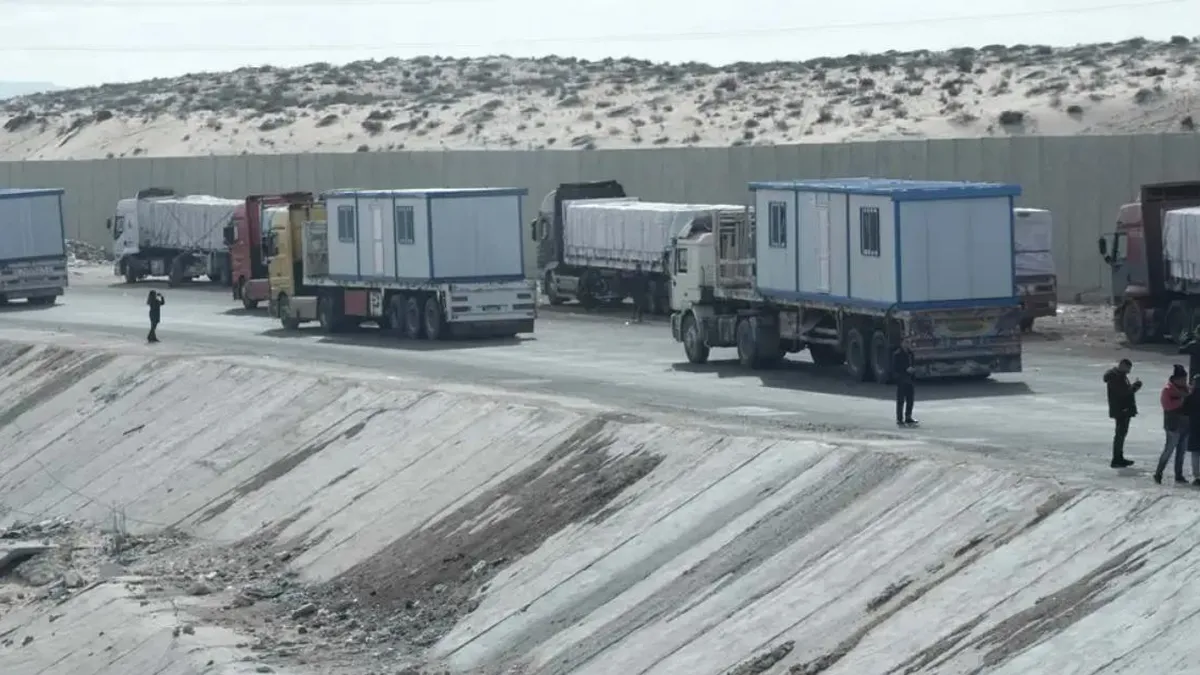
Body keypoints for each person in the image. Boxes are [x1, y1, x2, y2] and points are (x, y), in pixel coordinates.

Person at [1155, 364, 1190, 484]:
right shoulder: (1167, 390)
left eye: (1185, 379)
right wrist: (1183, 399)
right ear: (1175, 379)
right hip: (1173, 426)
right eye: (1182, 379)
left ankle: (1178, 475)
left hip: (1185, 425)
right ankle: (1158, 473)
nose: (1184, 381)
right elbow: (1168, 406)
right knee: (1169, 450)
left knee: (1181, 452)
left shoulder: (1186, 389)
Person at [1104, 358, 1142, 468]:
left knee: (1121, 434)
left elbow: (1125, 391)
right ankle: (1116, 459)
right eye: (1128, 368)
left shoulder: (1119, 376)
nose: (1129, 371)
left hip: (1123, 409)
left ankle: (1119, 457)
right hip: (1121, 409)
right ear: (1122, 365)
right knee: (1120, 435)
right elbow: (1124, 392)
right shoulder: (1115, 377)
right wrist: (1135, 386)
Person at [891, 338, 917, 427]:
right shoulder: (897, 354)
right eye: (906, 342)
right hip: (901, 379)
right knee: (901, 400)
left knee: (910, 400)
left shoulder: (911, 353)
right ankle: (899, 419)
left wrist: (913, 370)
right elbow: (894, 369)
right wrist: (904, 371)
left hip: (910, 379)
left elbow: (913, 364)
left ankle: (908, 417)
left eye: (909, 342)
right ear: (902, 343)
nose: (908, 344)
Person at [1185, 374, 1200, 486]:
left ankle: (1197, 476)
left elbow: (1185, 411)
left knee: (1195, 453)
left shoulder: (1190, 397)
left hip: (1194, 426)